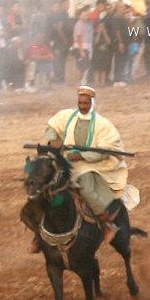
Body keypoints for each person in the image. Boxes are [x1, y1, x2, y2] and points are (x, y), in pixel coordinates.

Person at [32, 86, 130, 251]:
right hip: (64, 160)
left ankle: (105, 223)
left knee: (84, 188)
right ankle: (38, 233)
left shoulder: (102, 124)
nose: (82, 106)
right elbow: (51, 129)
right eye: (80, 102)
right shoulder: (67, 116)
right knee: (43, 185)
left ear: (92, 103)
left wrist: (82, 156)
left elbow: (104, 151)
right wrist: (54, 140)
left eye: (85, 103)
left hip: (88, 164)